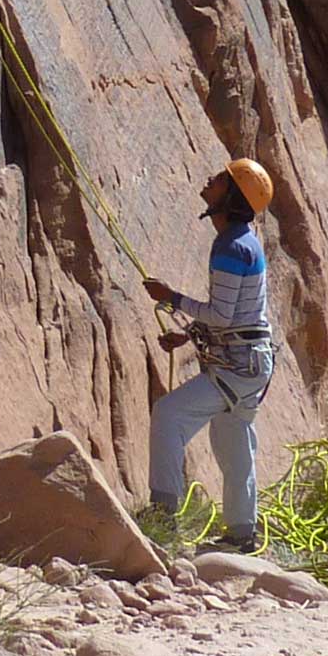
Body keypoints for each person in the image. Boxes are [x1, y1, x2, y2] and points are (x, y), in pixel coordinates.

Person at [141, 157, 277, 549]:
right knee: (232, 439)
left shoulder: (231, 246)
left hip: (239, 365)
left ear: (231, 196)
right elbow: (236, 315)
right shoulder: (241, 242)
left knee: (168, 415)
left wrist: (173, 298)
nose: (209, 180)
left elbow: (222, 314)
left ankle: (163, 517)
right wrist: (190, 336)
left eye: (219, 180)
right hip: (250, 363)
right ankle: (241, 534)